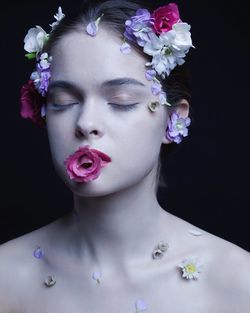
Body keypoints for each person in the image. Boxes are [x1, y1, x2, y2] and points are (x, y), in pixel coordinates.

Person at [0, 1, 249, 312]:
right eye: (63, 100)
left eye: (121, 101)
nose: (86, 123)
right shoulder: (6, 277)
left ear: (173, 120)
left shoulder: (237, 284)